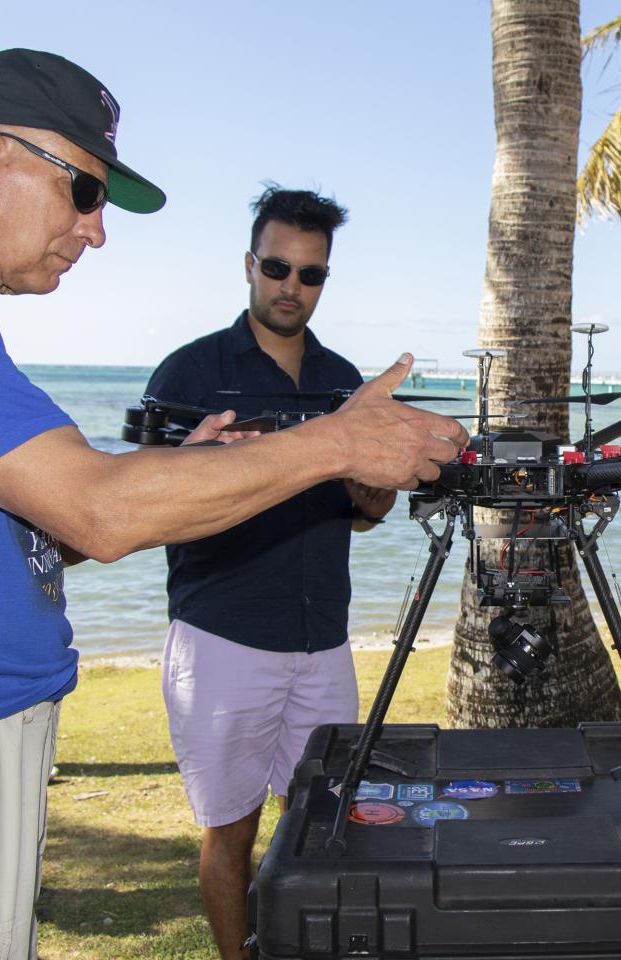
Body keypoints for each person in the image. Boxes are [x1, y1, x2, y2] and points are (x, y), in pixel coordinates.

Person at [0, 49, 466, 960]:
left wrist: (184, 475)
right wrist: (341, 443)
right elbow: (99, 513)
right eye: (84, 191)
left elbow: (36, 534)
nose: (96, 232)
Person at [144, 187, 394, 960]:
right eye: (279, 267)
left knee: (322, 825)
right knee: (231, 829)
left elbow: (362, 516)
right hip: (225, 638)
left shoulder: (343, 380)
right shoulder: (190, 373)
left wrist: (375, 486)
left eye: (311, 274)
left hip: (322, 638)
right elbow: (144, 500)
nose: (293, 287)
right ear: (250, 265)